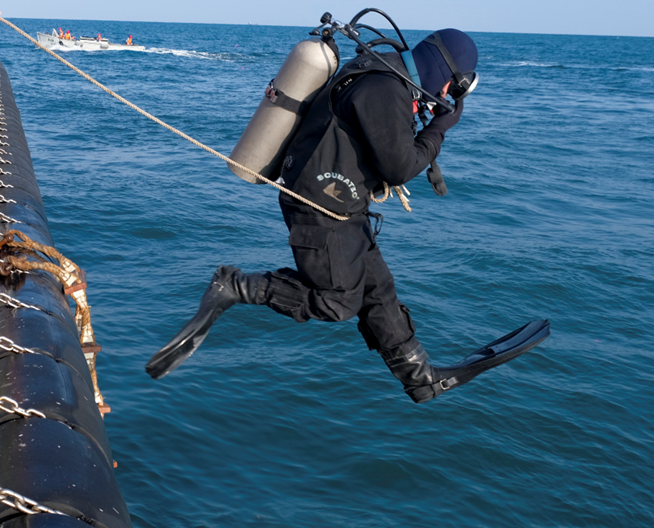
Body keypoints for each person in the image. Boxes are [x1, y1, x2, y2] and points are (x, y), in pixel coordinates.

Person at [147, 28, 548, 402]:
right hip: (318, 208)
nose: (446, 95)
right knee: (337, 302)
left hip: (340, 201)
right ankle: (235, 286)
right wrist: (440, 127)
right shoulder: (384, 89)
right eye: (455, 87)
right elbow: (399, 167)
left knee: (378, 292)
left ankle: (420, 378)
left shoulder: (383, 71)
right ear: (451, 79)